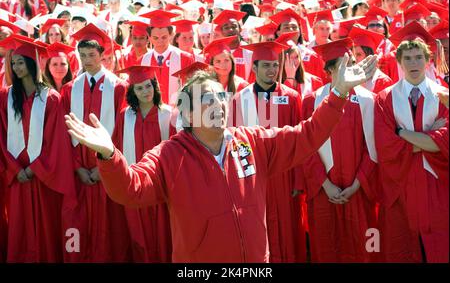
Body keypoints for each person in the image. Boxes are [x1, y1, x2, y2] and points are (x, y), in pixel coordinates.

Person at [65, 50, 378, 262]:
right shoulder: (170, 155)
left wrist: (338, 93)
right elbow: (131, 189)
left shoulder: (251, 142)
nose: (217, 104)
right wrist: (109, 155)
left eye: (220, 97)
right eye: (205, 99)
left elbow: (308, 135)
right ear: (185, 111)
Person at [0, 36, 76, 262]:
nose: (17, 67)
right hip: (17, 178)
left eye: (21, 62)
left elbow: (57, 142)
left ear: (32, 63)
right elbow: (1, 137)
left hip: (43, 178)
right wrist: (15, 169)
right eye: (14, 63)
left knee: (45, 228)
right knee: (19, 228)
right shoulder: (5, 97)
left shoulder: (51, 98)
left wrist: (35, 169)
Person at [230, 41, 307, 262]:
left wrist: (298, 181)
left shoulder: (291, 98)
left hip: (284, 178)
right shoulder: (239, 100)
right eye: (265, 65)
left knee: (288, 231)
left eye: (275, 65)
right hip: (254, 178)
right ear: (254, 68)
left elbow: (300, 142)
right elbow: (234, 146)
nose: (272, 70)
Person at [302, 38, 378, 262]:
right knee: (327, 249)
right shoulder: (312, 101)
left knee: (363, 249)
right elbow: (306, 150)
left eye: (352, 63)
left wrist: (358, 184)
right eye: (341, 66)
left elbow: (372, 148)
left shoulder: (367, 100)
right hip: (325, 191)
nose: (349, 69)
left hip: (359, 191)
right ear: (328, 71)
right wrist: (325, 185)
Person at [60, 23, 130, 262]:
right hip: (80, 172)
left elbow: (121, 131)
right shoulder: (70, 89)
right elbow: (64, 132)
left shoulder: (119, 87)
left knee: (111, 228)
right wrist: (77, 167)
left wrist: (104, 168)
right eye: (82, 55)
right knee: (80, 224)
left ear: (102, 55)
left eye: (91, 55)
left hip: (107, 172)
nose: (87, 60)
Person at [374, 39, 449, 263]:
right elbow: (385, 145)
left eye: (418, 57)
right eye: (407, 58)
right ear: (399, 62)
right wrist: (430, 137)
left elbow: (445, 142)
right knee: (404, 246)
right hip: (401, 181)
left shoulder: (444, 96)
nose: (413, 63)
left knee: (439, 244)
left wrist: (400, 133)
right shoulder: (385, 98)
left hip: (436, 181)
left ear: (428, 61)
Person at [112, 66, 175, 262]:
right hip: (136, 183)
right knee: (138, 234)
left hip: (161, 185)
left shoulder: (168, 115)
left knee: (164, 233)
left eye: (148, 86)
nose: (145, 92)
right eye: (139, 88)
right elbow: (117, 147)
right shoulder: (126, 116)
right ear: (132, 92)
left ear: (155, 86)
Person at [140, 9, 195, 104]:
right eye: (155, 38)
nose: (160, 41)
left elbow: (194, 90)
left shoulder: (185, 58)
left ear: (171, 35)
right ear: (149, 37)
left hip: (177, 114)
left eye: (164, 37)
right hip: (153, 114)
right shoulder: (144, 60)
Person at [212, 9, 254, 83]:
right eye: (226, 27)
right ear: (221, 31)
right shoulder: (215, 53)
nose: (231, 30)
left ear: (240, 29)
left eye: (234, 26)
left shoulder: (249, 52)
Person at [348, 27, 394, 93]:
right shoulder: (349, 77)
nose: (354, 59)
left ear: (369, 56)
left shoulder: (383, 81)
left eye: (359, 54)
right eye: (352, 54)